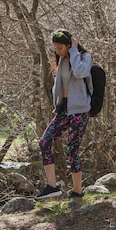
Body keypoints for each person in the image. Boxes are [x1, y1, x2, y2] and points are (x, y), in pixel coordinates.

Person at [36, 29, 92, 200]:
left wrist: (74, 51)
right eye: (55, 48)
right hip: (64, 109)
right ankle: (52, 186)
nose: (57, 51)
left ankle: (77, 191)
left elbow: (80, 72)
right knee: (44, 142)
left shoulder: (84, 58)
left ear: (69, 44)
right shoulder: (61, 61)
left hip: (80, 110)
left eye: (60, 48)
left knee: (72, 150)